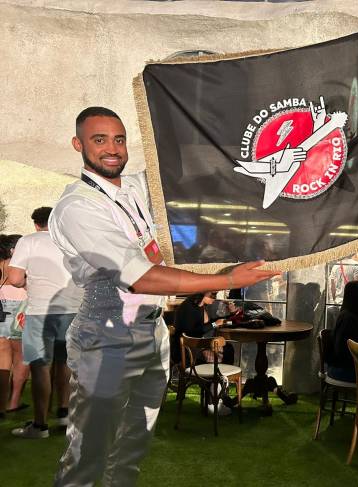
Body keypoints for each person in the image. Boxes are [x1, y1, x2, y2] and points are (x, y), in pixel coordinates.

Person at [47, 106, 278, 486]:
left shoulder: (136, 186)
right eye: (99, 139)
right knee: (89, 452)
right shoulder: (77, 206)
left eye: (119, 139)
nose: (112, 149)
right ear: (78, 144)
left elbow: (187, 171)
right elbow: (139, 278)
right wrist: (223, 278)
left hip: (152, 330)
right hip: (106, 332)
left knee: (132, 447)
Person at [7, 207, 83, 438]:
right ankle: (65, 413)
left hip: (41, 310)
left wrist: (27, 282)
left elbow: (15, 278)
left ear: (35, 224)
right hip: (73, 309)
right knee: (66, 364)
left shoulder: (29, 241)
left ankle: (40, 425)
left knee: (41, 368)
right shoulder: (73, 241)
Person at [0, 234, 30, 418]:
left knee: (2, 361)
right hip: (21, 310)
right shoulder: (20, 266)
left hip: (1, 309)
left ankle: (1, 405)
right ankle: (14, 402)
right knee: (21, 358)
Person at [327, 281, 358, 382]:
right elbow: (343, 352)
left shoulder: (346, 314)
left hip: (342, 367)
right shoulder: (349, 319)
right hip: (344, 370)